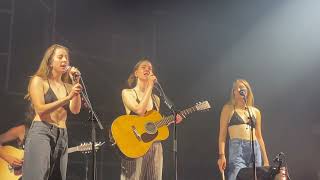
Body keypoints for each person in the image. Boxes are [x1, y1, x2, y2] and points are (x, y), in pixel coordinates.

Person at [22, 44, 82, 180]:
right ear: (49, 61)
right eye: (60, 57)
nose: (65, 60)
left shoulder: (68, 86)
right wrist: (67, 97)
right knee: (37, 176)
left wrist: (75, 84)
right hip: (42, 131)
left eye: (66, 58)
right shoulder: (39, 81)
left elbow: (75, 110)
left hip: (62, 135)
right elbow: (41, 110)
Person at [120, 59, 182, 180]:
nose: (148, 69)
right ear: (136, 73)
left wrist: (170, 120)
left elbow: (152, 123)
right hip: (135, 144)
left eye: (150, 68)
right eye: (144, 67)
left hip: (154, 146)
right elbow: (139, 111)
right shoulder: (128, 93)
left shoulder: (156, 99)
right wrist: (150, 86)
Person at [217, 79, 269, 180]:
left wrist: (266, 160)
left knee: (255, 177)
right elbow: (222, 135)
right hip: (237, 148)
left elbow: (259, 136)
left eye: (242, 87)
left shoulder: (255, 111)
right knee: (236, 175)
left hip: (255, 148)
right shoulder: (228, 109)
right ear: (234, 93)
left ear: (247, 91)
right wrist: (221, 155)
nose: (239, 89)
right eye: (236, 88)